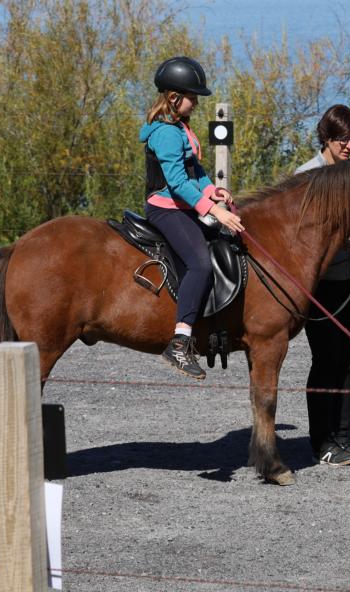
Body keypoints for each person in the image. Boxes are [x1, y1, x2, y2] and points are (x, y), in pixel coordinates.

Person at [140, 55, 244, 379]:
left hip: (185, 205)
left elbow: (194, 171)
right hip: (165, 209)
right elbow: (177, 182)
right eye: (192, 97)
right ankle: (180, 342)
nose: (196, 103)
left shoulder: (181, 127)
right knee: (199, 263)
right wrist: (214, 211)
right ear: (174, 98)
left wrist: (213, 191)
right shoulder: (166, 133)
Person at [295, 105, 350, 467]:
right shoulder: (306, 178)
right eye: (342, 138)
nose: (349, 146)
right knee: (326, 360)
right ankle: (321, 441)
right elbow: (303, 238)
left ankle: (343, 436)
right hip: (323, 285)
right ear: (326, 138)